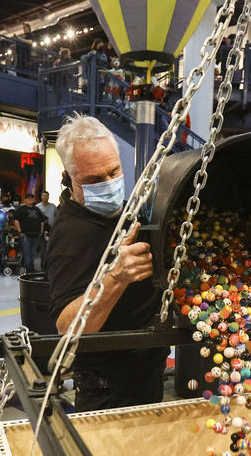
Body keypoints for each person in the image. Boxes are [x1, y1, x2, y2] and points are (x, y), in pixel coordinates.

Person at [45, 113, 167, 411]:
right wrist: (115, 277)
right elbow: (67, 327)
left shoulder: (122, 212)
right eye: (95, 180)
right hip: (108, 389)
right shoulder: (70, 236)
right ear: (71, 179)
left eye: (114, 172)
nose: (110, 184)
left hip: (147, 374)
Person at [12, 193, 47, 272]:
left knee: (33, 253)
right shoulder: (21, 209)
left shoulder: (37, 209)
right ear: (25, 200)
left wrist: (41, 232)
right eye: (28, 198)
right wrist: (19, 231)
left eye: (31, 198)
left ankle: (32, 269)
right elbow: (16, 220)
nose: (30, 199)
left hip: (36, 235)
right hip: (25, 235)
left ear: (34, 199)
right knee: (27, 253)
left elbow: (42, 220)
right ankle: (28, 270)